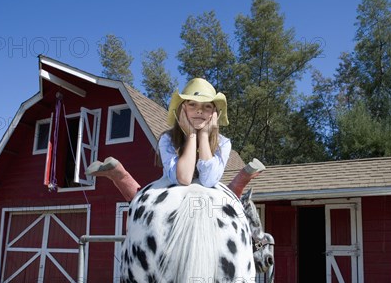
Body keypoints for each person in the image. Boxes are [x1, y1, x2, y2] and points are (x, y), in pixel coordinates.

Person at [86, 78, 264, 200]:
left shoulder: (224, 143)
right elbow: (183, 179)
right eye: (192, 105)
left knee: (232, 203)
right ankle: (118, 173)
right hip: (171, 186)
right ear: (182, 110)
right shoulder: (167, 139)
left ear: (214, 114)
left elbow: (209, 180)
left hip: (207, 192)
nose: (199, 111)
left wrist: (204, 135)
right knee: (140, 201)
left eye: (207, 106)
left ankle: (243, 178)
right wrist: (193, 135)